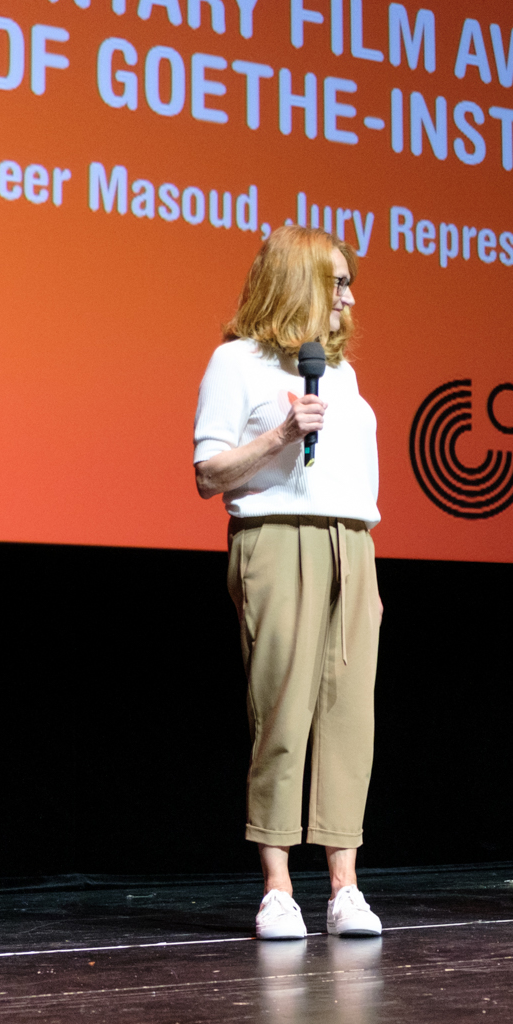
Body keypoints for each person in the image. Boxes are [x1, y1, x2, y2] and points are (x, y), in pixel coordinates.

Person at [193, 227, 383, 941]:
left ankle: (345, 887)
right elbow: (207, 473)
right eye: (338, 282)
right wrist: (278, 435)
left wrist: (365, 574)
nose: (349, 298)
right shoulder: (235, 362)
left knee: (350, 717)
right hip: (276, 539)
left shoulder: (339, 371)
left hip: (351, 545)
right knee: (281, 711)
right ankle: (277, 887)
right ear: (298, 280)